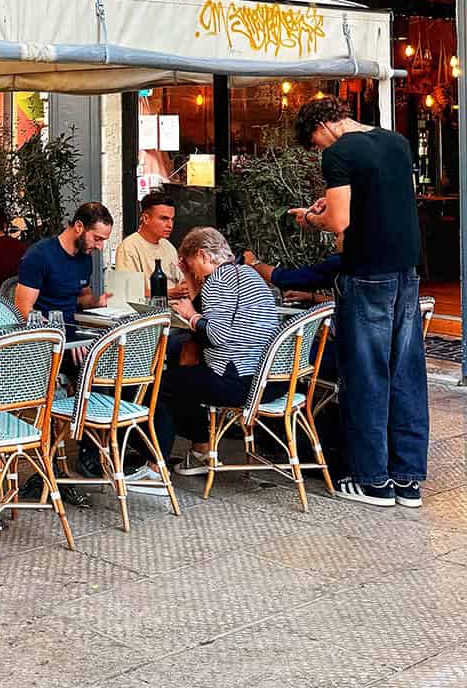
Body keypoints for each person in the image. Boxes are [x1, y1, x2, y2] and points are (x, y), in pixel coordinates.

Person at [292, 95, 426, 508]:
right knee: (405, 372)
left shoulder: (338, 152)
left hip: (367, 273)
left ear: (322, 127)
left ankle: (372, 480)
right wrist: (331, 203)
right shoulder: (396, 142)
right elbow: (379, 200)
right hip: (407, 269)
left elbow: (340, 223)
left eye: (314, 142)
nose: (318, 149)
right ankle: (408, 481)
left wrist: (310, 217)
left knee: (366, 374)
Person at [152, 227, 279, 475]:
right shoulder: (248, 274)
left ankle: (156, 466)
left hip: (238, 380)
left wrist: (190, 317)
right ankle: (200, 450)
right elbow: (209, 312)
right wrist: (189, 278)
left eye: (191, 264)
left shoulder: (218, 280)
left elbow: (215, 334)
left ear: (202, 255)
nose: (196, 273)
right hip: (269, 379)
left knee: (163, 385)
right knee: (185, 371)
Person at [15, 202, 114, 321]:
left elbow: (84, 296)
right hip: (47, 334)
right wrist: (50, 329)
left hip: (76, 331)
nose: (100, 247)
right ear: (78, 227)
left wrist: (96, 303)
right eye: (97, 239)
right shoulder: (39, 255)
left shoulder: (85, 257)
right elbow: (23, 309)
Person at [115, 189, 181, 291]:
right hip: (148, 306)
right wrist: (170, 293)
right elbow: (130, 291)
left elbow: (181, 281)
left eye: (172, 219)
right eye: (164, 219)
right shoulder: (129, 247)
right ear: (146, 219)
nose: (170, 225)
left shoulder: (169, 246)